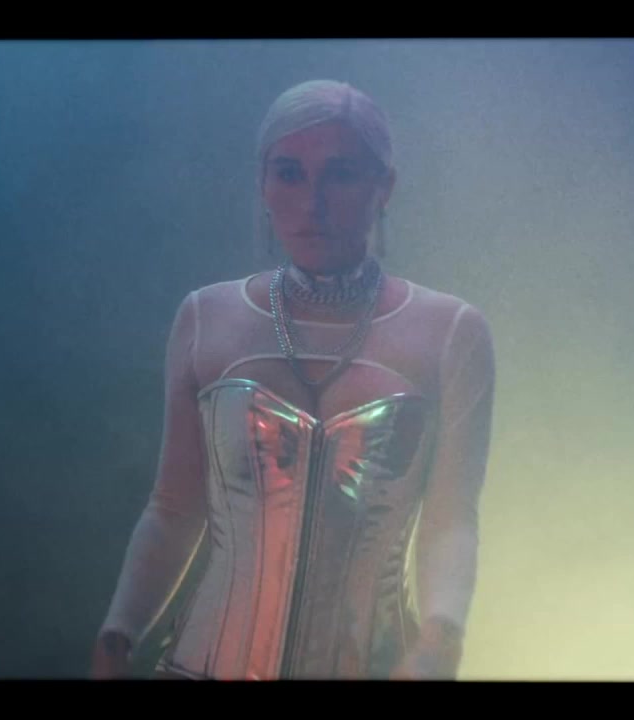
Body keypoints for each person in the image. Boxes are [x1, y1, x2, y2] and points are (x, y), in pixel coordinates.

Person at [90, 80, 495, 681]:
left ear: (384, 187)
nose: (312, 201)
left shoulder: (451, 332)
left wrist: (442, 638)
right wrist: (117, 635)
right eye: (289, 173)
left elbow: (451, 518)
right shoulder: (205, 317)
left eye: (340, 174)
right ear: (263, 184)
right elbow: (174, 507)